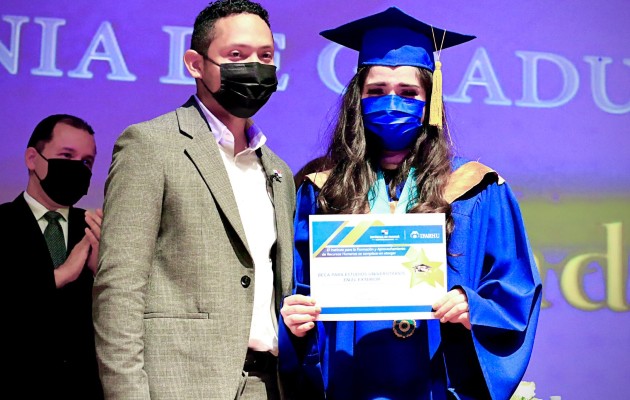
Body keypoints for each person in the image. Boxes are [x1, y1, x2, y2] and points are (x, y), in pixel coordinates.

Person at [278, 6, 542, 400]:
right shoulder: (322, 190)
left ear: (429, 101)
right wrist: (294, 323)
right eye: (376, 92)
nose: (391, 103)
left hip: (439, 381)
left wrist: (475, 308)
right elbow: (296, 289)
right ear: (357, 99)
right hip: (350, 382)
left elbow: (514, 289)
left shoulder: (475, 188)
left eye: (408, 93)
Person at [92, 1, 295, 399]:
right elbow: (119, 287)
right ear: (194, 63)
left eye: (265, 56)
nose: (254, 68)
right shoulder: (150, 145)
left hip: (268, 384)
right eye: (236, 55)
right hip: (179, 384)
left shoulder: (279, 170)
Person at [2, 114, 103, 399]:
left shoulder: (98, 230)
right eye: (66, 156)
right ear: (32, 159)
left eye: (86, 162)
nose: (77, 168)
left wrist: (102, 277)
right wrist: (60, 275)